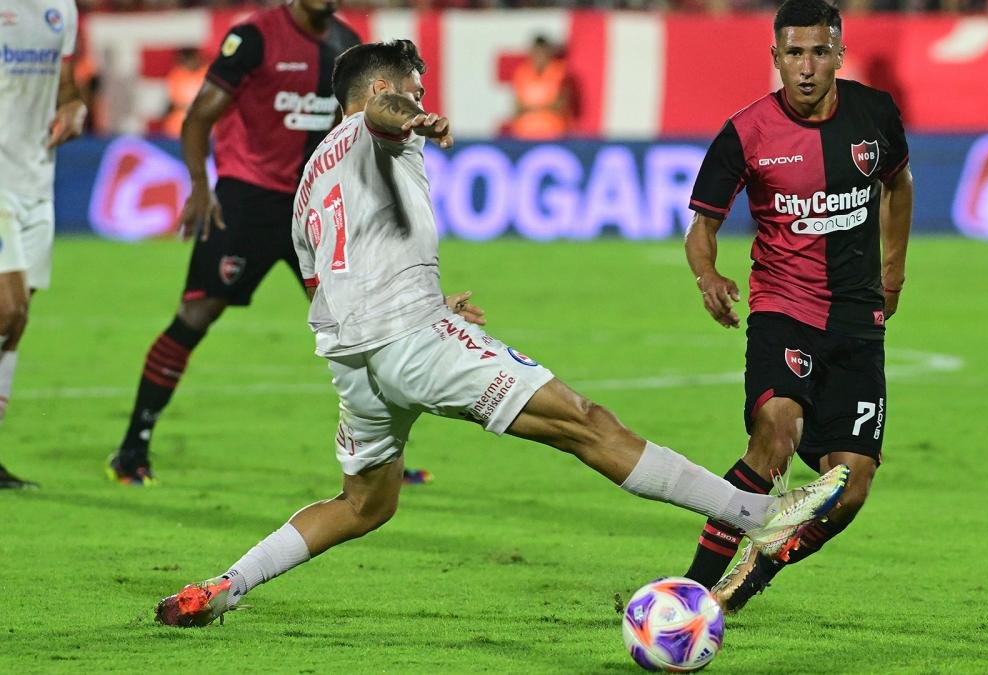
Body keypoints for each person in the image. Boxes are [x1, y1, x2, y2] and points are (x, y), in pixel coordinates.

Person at [153, 40, 851, 627]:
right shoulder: (380, 123)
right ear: (384, 89)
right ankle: (758, 512)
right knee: (586, 423)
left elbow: (323, 283)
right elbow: (383, 115)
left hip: (357, 363)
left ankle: (224, 586)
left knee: (364, 503)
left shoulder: (310, 181)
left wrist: (430, 302)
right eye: (414, 86)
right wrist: (418, 116)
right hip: (410, 342)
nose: (420, 95)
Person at [102, 0, 444, 486]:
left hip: (314, 202)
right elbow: (199, 117)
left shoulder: (348, 46)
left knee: (361, 324)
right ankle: (132, 448)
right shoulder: (256, 37)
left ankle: (380, 455)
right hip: (248, 201)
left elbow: (357, 129)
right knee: (196, 316)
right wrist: (200, 185)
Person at [680, 0, 913, 612]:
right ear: (775, 57)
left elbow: (898, 182)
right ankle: (692, 590)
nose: (806, 67)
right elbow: (701, 224)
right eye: (794, 53)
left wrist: (894, 269)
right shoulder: (745, 133)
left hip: (859, 320)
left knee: (853, 486)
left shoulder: (875, 113)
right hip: (785, 308)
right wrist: (708, 275)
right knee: (777, 430)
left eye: (818, 52)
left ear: (838, 52)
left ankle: (749, 579)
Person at [0, 0, 87, 489]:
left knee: (16, 324)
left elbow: (66, 86)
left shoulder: (61, 8)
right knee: (6, 310)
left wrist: (74, 108)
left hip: (36, 181)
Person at [507, 35, 572, 140]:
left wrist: (530, 108)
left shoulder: (560, 72)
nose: (539, 56)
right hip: (525, 134)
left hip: (553, 134)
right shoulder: (521, 73)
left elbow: (561, 106)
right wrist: (546, 107)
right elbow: (517, 108)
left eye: (542, 52)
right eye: (536, 52)